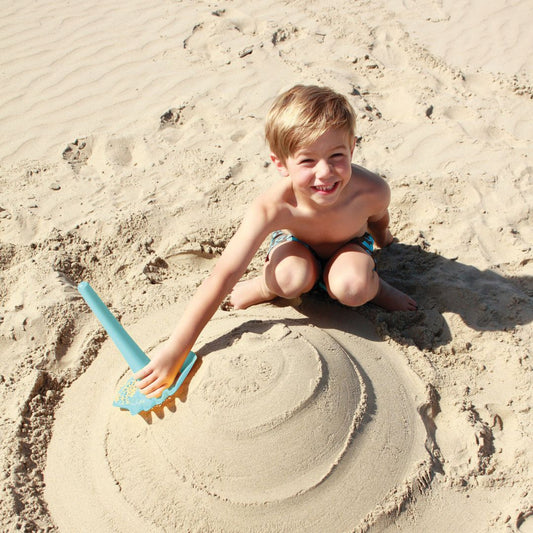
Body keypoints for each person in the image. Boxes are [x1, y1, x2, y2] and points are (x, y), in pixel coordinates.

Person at [135, 84, 417, 398]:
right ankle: (265, 286)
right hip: (297, 247)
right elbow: (225, 272)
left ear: (352, 148)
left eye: (336, 156)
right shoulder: (273, 206)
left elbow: (378, 220)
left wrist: (385, 241)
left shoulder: (372, 190)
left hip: (349, 248)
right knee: (290, 277)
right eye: (307, 161)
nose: (325, 173)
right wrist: (176, 349)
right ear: (281, 163)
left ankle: (378, 288)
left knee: (353, 288)